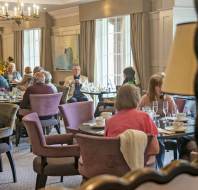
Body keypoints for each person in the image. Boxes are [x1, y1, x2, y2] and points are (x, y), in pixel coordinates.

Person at [105, 84, 159, 164]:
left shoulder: (110, 121)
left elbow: (106, 146)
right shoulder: (145, 117)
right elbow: (154, 146)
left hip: (115, 167)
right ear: (137, 99)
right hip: (142, 164)